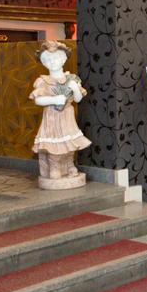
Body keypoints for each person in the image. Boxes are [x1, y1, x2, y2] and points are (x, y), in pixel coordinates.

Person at [30, 40, 90, 189]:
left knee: (69, 141)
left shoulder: (71, 78)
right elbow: (38, 100)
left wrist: (75, 89)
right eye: (48, 60)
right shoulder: (43, 81)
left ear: (64, 59)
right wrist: (54, 99)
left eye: (56, 58)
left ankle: (69, 164)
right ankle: (55, 167)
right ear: (43, 62)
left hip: (67, 115)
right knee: (54, 142)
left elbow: (78, 99)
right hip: (51, 116)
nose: (53, 62)